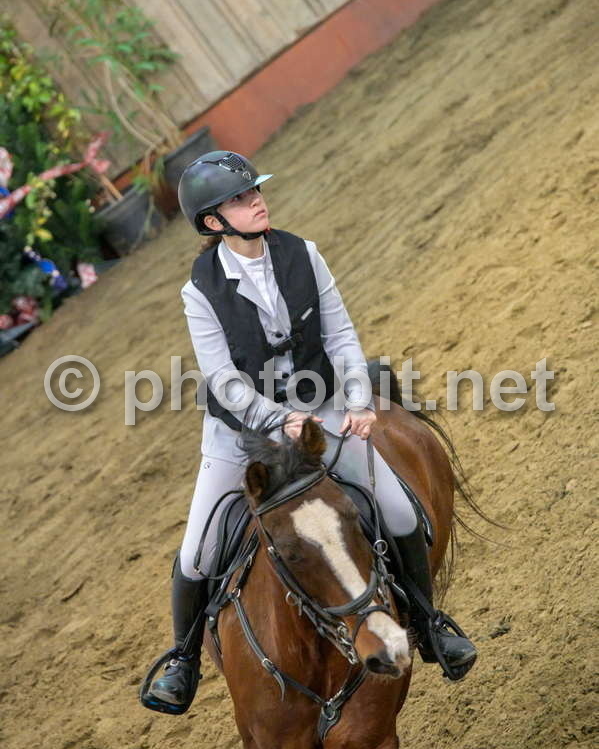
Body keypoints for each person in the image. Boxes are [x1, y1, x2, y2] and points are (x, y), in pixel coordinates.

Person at [145, 150, 476, 713]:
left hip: (320, 409)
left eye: (255, 191)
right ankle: (183, 660)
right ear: (213, 221)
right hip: (241, 433)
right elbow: (223, 380)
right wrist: (277, 418)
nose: (257, 201)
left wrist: (358, 401)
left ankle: (428, 624)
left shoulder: (304, 253)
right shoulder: (199, 290)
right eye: (240, 198)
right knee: (199, 551)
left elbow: (340, 335)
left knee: (398, 511)